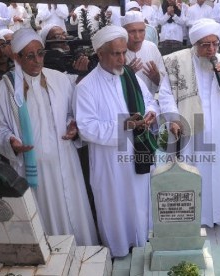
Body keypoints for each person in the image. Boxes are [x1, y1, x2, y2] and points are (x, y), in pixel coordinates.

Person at [0, 28, 98, 246]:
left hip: (66, 163)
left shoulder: (60, 80)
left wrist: (72, 126)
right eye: (30, 56)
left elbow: (70, 114)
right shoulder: (4, 90)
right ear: (17, 57)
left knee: (76, 216)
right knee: (47, 222)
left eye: (40, 53)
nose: (37, 60)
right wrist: (11, 142)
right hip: (35, 172)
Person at [74, 25, 159, 257]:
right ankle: (119, 250)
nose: (123, 59)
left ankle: (141, 244)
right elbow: (87, 128)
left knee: (139, 203)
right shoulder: (86, 87)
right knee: (114, 206)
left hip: (137, 156)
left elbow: (150, 100)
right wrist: (124, 126)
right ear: (100, 54)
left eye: (124, 53)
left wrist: (151, 113)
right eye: (116, 54)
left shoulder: (131, 77)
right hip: (109, 162)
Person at [159, 19, 220, 227]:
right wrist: (173, 118)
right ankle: (195, 217)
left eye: (215, 44)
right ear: (195, 44)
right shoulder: (178, 61)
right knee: (194, 169)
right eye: (205, 45)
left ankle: (216, 215)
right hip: (193, 127)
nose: (211, 49)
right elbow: (165, 93)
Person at [122, 11, 166, 96]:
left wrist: (157, 78)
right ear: (124, 32)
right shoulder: (118, 51)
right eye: (132, 31)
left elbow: (164, 82)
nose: (137, 36)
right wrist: (127, 75)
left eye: (141, 31)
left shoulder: (151, 47)